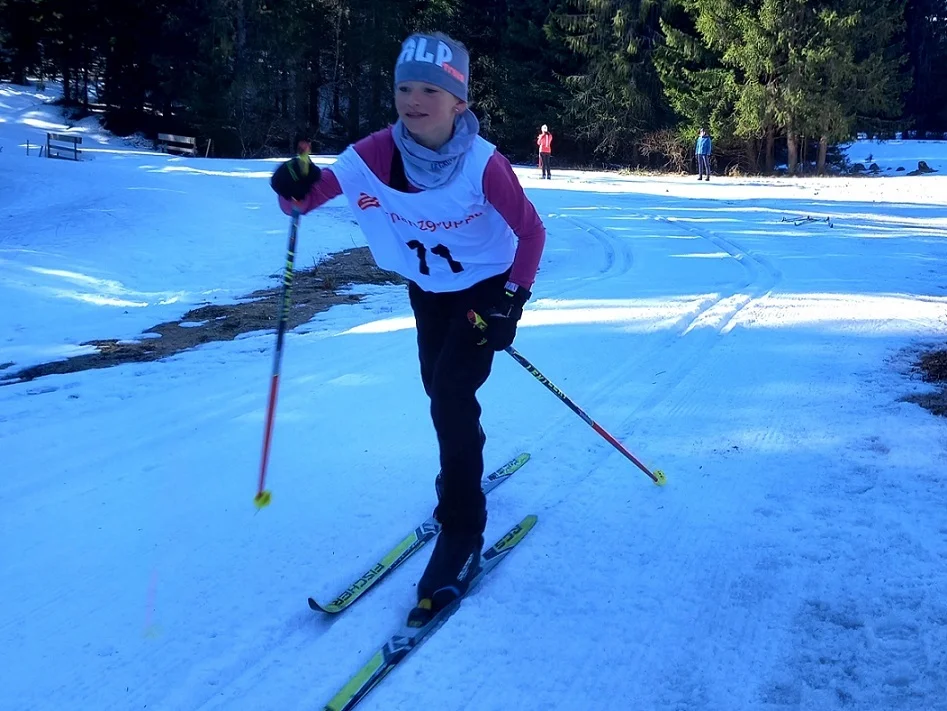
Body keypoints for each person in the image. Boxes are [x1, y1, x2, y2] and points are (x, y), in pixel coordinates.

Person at [269, 32, 546, 625]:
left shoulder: (484, 164)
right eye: (404, 88)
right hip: (429, 289)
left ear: (459, 103)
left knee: (451, 393)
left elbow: (532, 232)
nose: (413, 101)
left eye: (430, 90)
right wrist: (292, 184)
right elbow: (307, 199)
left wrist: (512, 302)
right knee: (437, 390)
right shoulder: (376, 153)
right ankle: (460, 465)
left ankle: (463, 527)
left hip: (485, 288)